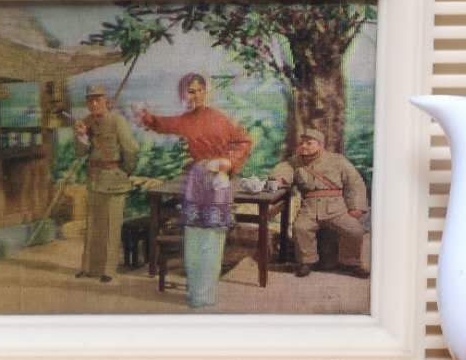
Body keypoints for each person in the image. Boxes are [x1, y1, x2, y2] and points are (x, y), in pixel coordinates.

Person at [136, 73, 253, 307]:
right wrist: (145, 117)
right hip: (196, 179)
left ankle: (206, 294)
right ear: (183, 94)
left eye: (200, 90)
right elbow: (163, 124)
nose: (196, 95)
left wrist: (226, 162)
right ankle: (197, 293)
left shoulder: (220, 118)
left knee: (212, 237)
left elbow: (244, 141)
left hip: (218, 179)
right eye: (191, 91)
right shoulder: (185, 120)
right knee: (193, 236)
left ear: (206, 92)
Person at [268, 127, 368, 278]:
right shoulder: (295, 162)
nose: (304, 146)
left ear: (320, 145)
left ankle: (351, 262)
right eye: (302, 143)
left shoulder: (337, 160)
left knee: (355, 230)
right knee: (300, 228)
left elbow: (355, 183)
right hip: (310, 207)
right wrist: (279, 179)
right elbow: (282, 171)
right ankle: (306, 262)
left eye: (309, 143)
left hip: (336, 208)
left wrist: (356, 206)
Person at [73, 85, 139, 284]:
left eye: (98, 99)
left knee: (111, 226)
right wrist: (82, 135)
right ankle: (89, 268)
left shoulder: (117, 121)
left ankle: (108, 270)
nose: (94, 103)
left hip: (114, 180)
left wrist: (125, 171)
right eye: (90, 100)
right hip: (95, 179)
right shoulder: (86, 122)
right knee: (93, 225)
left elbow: (131, 149)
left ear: (106, 101)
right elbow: (80, 153)